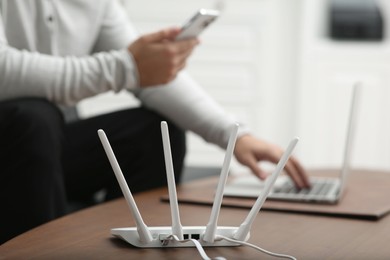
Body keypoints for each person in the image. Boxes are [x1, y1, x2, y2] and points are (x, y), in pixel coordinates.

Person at [0, 0, 310, 244]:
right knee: (32, 118)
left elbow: (147, 77)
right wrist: (127, 66)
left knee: (153, 133)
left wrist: (236, 135)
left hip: (41, 155)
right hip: (20, 142)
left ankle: (128, 251)